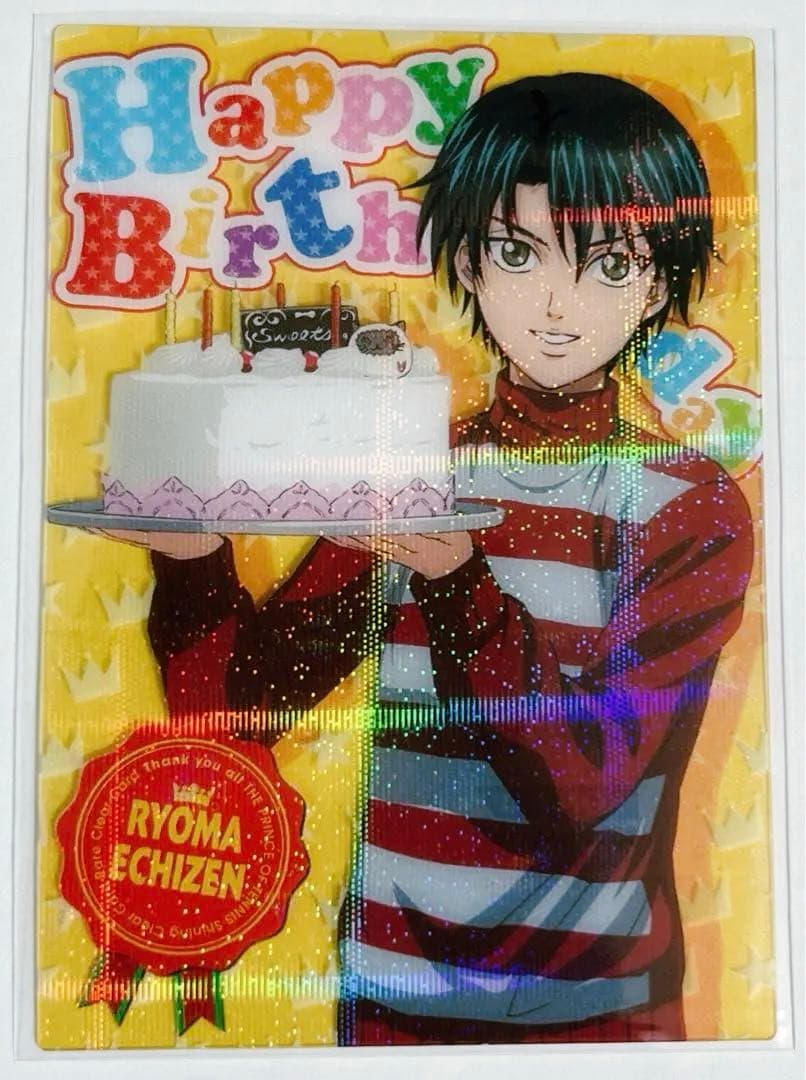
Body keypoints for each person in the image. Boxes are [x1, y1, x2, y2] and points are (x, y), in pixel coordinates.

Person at [102, 73, 754, 1045]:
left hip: (594, 1015)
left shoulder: (681, 506)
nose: (556, 302)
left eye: (608, 264)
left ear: (658, 281)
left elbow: (583, 785)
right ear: (468, 263)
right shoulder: (413, 468)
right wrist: (193, 558)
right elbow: (240, 707)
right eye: (515, 252)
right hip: (390, 1006)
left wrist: (456, 583)